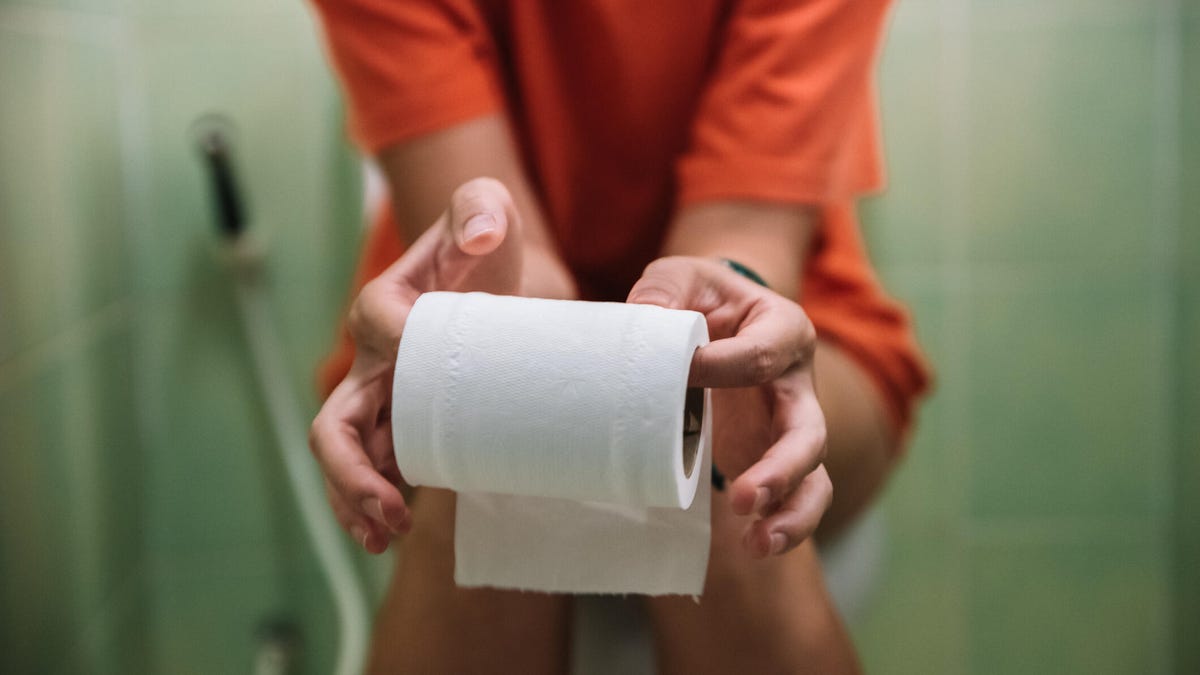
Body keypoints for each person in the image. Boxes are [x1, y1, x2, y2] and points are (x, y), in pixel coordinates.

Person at [307, 0, 930, 672]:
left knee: (713, 427)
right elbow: (495, 256)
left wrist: (704, 342)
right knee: (498, 411)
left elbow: (739, 245)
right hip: (485, 294)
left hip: (790, 314)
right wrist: (528, 354)